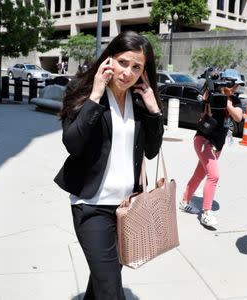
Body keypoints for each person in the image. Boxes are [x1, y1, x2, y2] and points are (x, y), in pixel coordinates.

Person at [54, 31, 164, 300]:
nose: (128, 72)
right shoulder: (83, 90)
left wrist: (154, 110)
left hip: (127, 209)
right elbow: (73, 144)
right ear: (109, 60)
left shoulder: (139, 100)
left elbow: (151, 151)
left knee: (104, 283)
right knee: (111, 291)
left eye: (136, 67)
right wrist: (95, 94)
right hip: (91, 206)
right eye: (123, 62)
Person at [179, 68, 243, 227]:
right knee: (214, 175)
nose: (237, 89)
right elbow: (202, 115)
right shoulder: (211, 96)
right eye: (234, 86)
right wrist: (212, 94)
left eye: (238, 86)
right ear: (226, 83)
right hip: (204, 141)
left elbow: (238, 117)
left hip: (218, 145)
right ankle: (206, 213)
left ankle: (184, 201)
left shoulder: (234, 100)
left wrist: (226, 100)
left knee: (200, 174)